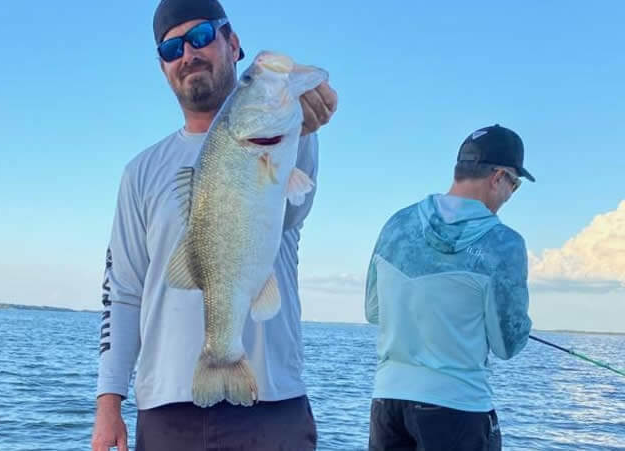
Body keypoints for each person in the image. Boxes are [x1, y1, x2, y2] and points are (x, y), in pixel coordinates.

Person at [91, 1, 338, 450]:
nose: (188, 53)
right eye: (171, 48)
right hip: (168, 407)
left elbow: (295, 209)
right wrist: (109, 404)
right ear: (164, 66)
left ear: (233, 43)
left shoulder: (289, 139)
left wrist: (303, 105)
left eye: (202, 36)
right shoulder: (140, 172)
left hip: (272, 399)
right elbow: (122, 292)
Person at [363, 124, 535, 450]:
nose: (512, 194)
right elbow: (507, 345)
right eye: (515, 184)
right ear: (498, 177)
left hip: (388, 403)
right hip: (458, 408)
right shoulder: (504, 244)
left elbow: (374, 311)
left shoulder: (397, 223)